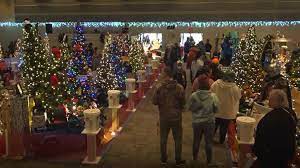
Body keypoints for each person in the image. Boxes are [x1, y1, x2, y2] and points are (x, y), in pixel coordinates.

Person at [253, 89, 297, 168]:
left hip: (270, 157)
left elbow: (260, 139)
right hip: (286, 155)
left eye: (270, 100)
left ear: (274, 101)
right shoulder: (291, 113)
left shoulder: (268, 118)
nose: (268, 102)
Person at [152, 67, 186, 167]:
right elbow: (183, 103)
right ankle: (178, 160)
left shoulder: (159, 87)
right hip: (176, 117)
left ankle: (163, 159)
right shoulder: (179, 87)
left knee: (163, 139)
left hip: (164, 117)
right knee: (178, 139)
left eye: (163, 73)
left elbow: (154, 101)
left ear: (166, 75)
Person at [188, 75, 219, 164]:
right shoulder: (213, 96)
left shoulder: (193, 95)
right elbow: (216, 109)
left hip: (197, 122)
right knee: (208, 142)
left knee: (196, 140)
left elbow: (190, 108)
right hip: (209, 122)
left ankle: (194, 159)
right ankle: (209, 161)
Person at [211, 70, 241, 144]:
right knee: (224, 127)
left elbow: (211, 93)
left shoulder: (216, 84)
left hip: (217, 109)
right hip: (228, 112)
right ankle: (221, 140)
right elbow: (238, 97)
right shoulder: (235, 88)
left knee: (214, 125)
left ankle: (210, 137)